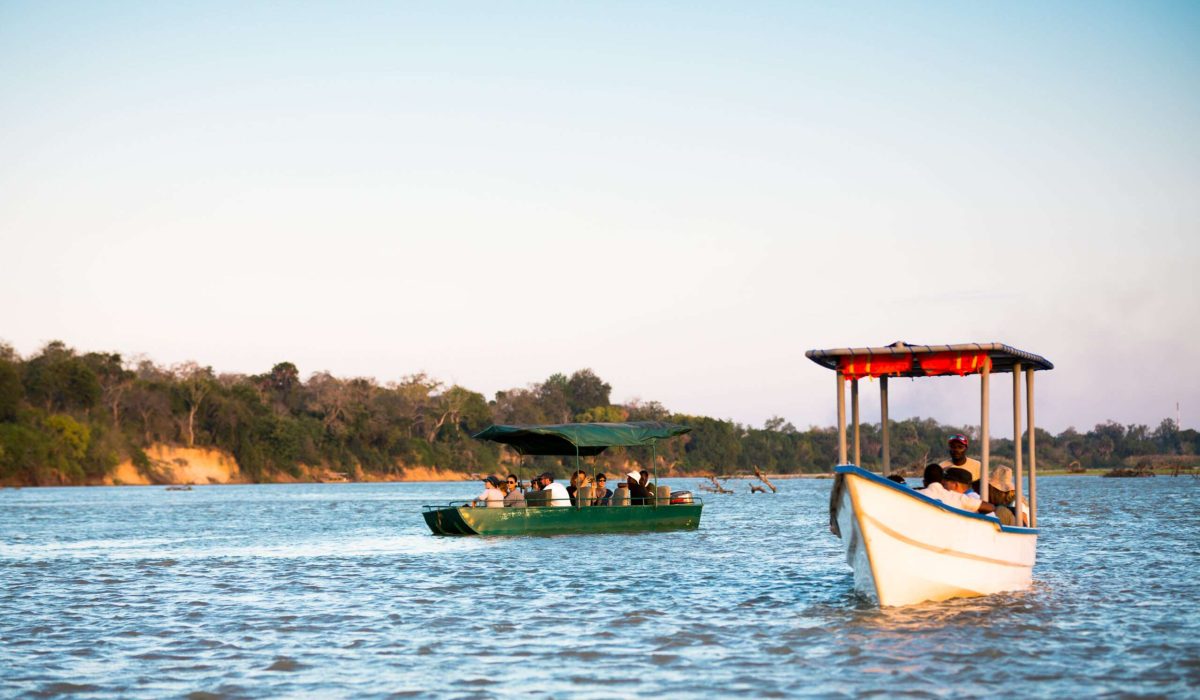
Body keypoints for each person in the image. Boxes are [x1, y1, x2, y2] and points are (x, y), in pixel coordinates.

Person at [920, 467, 994, 514]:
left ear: (955, 485)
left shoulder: (969, 497)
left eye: (945, 484)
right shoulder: (962, 497)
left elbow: (990, 508)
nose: (944, 487)